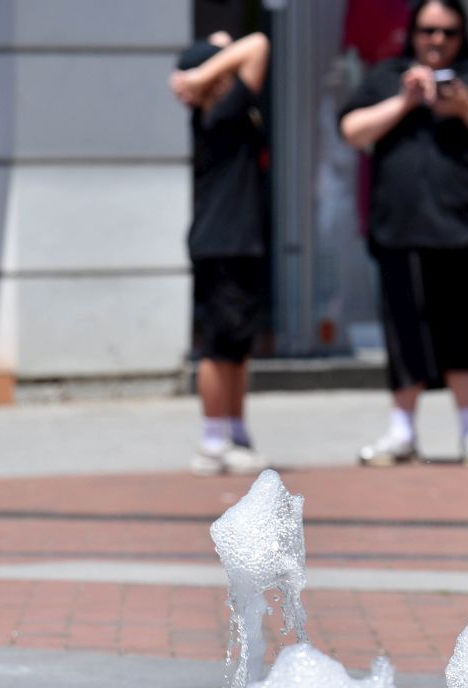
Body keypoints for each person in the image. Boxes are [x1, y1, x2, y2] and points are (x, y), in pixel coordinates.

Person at [340, 0, 468, 467]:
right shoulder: (389, 76)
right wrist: (405, 101)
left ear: (462, 35)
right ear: (413, 33)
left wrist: (466, 107)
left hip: (463, 230)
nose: (437, 41)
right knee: (403, 331)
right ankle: (402, 431)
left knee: (465, 331)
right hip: (397, 229)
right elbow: (352, 129)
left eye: (448, 32)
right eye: (428, 31)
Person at [170, 31, 270, 477]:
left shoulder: (222, 110)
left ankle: (233, 431)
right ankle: (213, 440)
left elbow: (235, 44)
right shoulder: (222, 111)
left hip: (234, 240)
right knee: (219, 347)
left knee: (237, 345)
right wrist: (207, 70)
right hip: (224, 241)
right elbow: (258, 44)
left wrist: (215, 50)